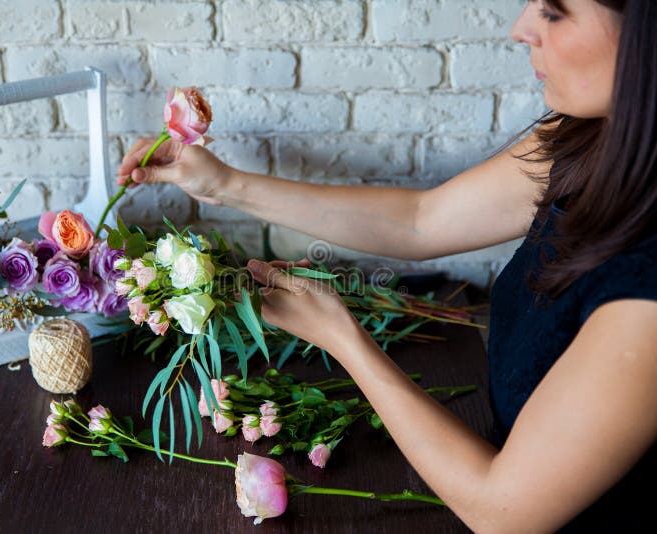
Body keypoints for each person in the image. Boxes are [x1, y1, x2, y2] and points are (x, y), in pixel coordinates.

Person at [117, 1, 656, 531]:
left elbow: (501, 510)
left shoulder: (646, 301)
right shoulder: (592, 141)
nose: (521, 28)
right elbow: (421, 221)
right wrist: (225, 185)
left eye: (556, 11)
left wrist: (341, 337)